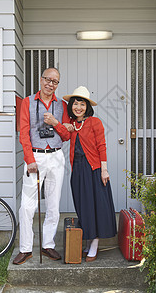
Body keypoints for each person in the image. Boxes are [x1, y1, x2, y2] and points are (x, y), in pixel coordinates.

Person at [13, 67, 72, 265]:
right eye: (48, 79)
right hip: (35, 158)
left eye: (55, 81)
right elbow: (24, 133)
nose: (50, 84)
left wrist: (56, 122)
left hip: (55, 156)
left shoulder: (62, 105)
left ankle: (48, 245)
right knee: (27, 206)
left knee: (54, 204)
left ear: (57, 84)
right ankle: (26, 248)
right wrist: (29, 159)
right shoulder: (28, 102)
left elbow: (66, 135)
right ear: (41, 80)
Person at [63, 86, 117, 262]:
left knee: (95, 206)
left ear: (87, 107)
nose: (78, 107)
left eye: (82, 104)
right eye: (76, 104)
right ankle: (87, 240)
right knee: (83, 206)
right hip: (77, 170)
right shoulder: (72, 126)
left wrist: (104, 169)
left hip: (93, 169)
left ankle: (94, 243)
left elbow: (101, 146)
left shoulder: (95, 122)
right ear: (71, 105)